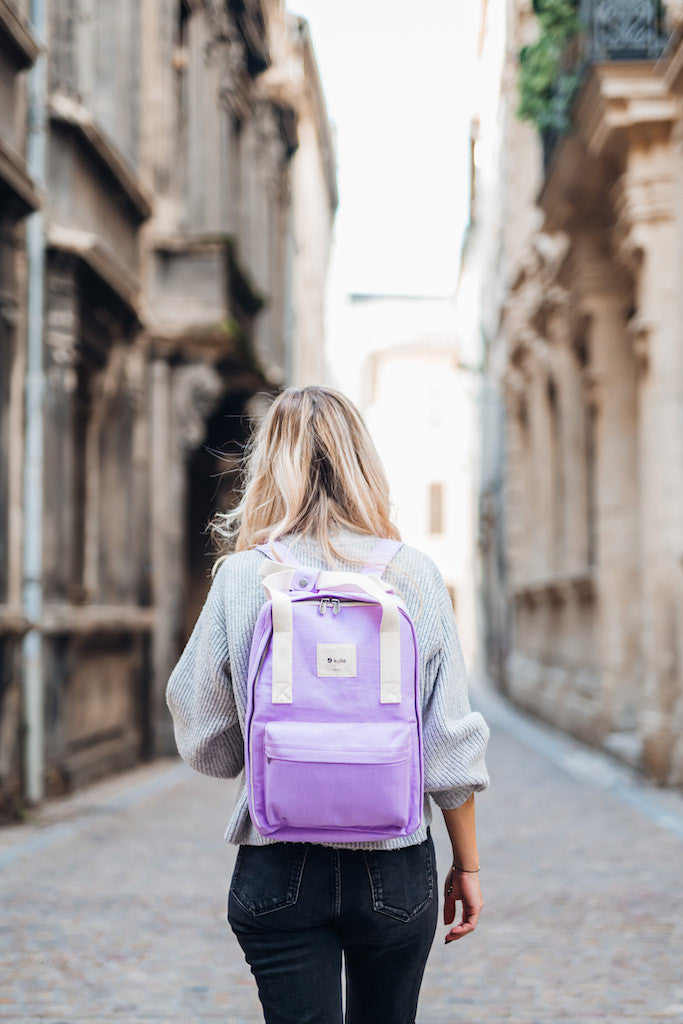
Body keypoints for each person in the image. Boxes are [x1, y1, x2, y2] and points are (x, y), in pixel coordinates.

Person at [166, 385, 490, 1024]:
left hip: (275, 860)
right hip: (395, 864)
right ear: (362, 464)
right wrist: (468, 865)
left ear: (271, 466)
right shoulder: (415, 574)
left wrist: (263, 745)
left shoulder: (242, 577)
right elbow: (449, 740)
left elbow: (203, 730)